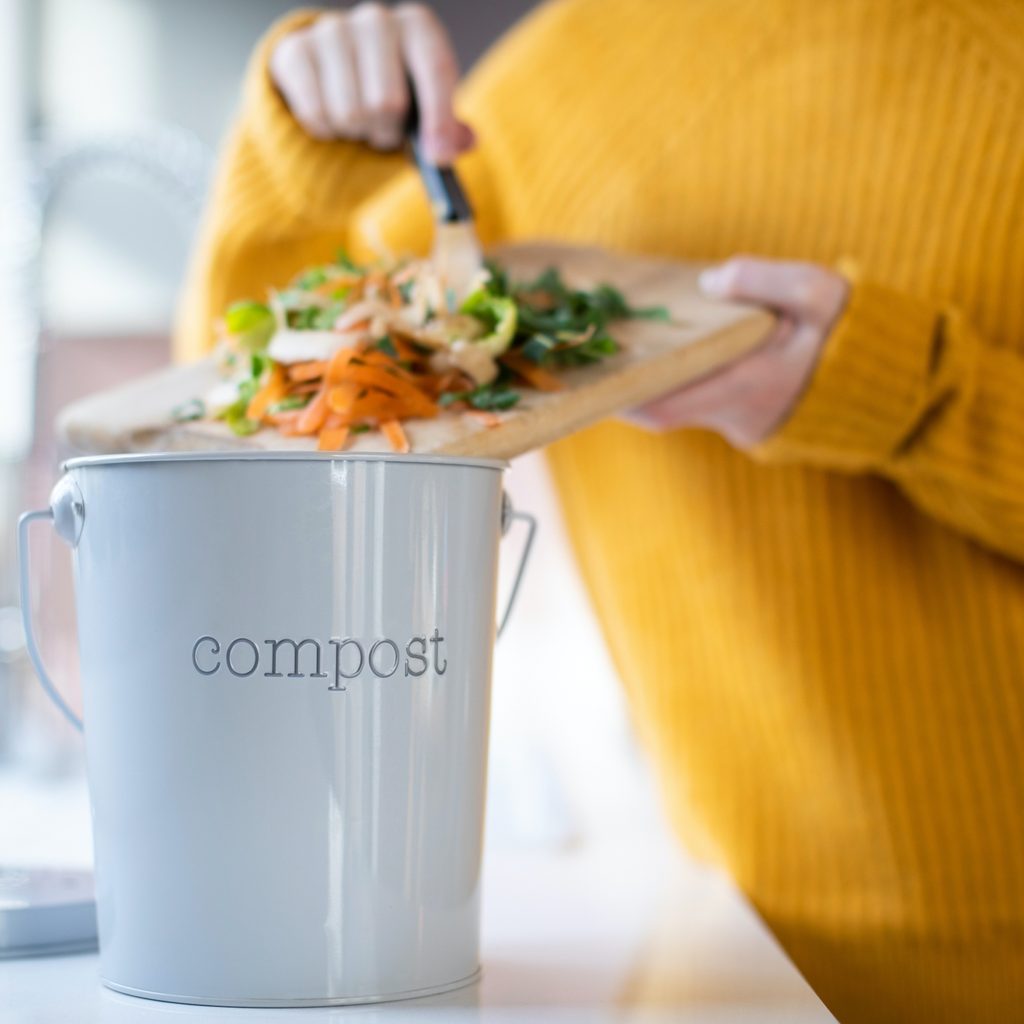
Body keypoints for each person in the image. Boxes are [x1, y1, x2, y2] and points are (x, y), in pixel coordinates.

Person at [175, 2, 1024, 1020]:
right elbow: (236, 443)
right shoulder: (545, 92)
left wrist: (913, 395)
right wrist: (296, 152)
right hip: (728, 955)